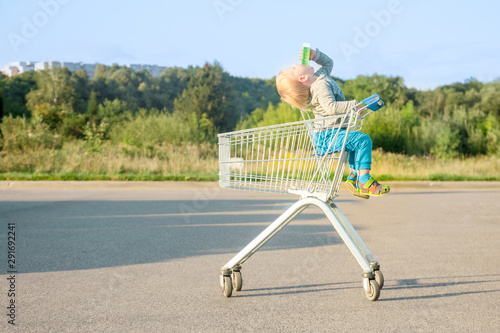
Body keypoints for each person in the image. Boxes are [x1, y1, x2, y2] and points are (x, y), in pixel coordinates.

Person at [276, 46, 389, 198]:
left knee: (355, 141)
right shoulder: (319, 86)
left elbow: (328, 64)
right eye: (293, 67)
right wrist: (355, 106)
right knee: (363, 141)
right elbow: (331, 108)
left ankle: (354, 176)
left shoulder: (319, 77)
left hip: (332, 133)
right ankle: (364, 180)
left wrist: (315, 55)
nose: (295, 64)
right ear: (302, 78)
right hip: (328, 136)